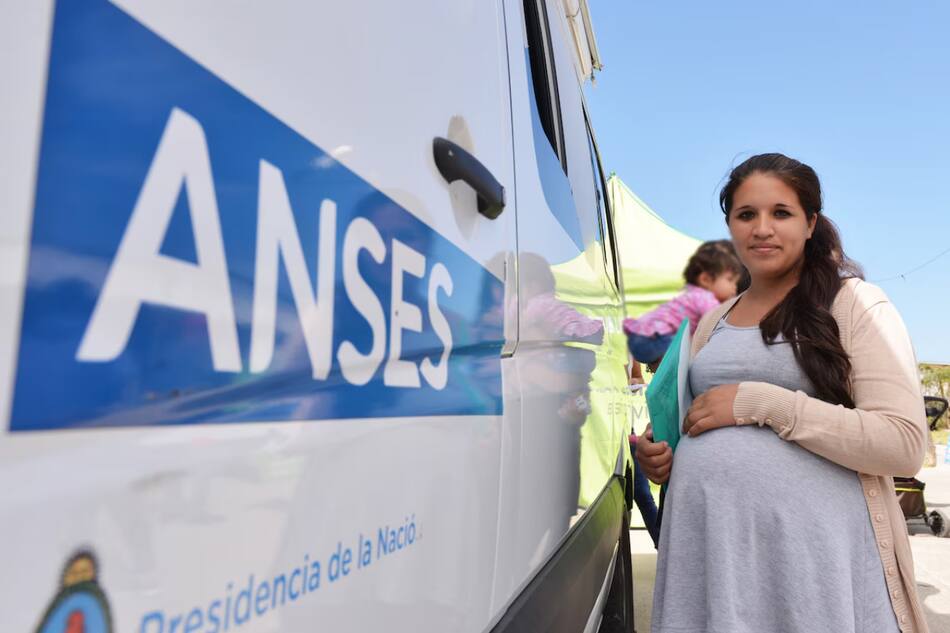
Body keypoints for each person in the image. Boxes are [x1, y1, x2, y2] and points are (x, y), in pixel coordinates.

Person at [636, 153, 929, 633]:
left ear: (811, 222)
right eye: (746, 215)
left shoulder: (854, 303)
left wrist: (762, 404)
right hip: (711, 560)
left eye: (781, 213)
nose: (762, 228)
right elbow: (700, 417)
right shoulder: (714, 319)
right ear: (729, 225)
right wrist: (665, 451)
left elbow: (902, 444)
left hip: (812, 570)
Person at [624, 240, 743, 370]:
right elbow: (714, 325)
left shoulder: (689, 293)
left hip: (638, 337)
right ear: (706, 279)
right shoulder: (706, 298)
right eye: (730, 280)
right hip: (654, 340)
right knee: (687, 350)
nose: (734, 288)